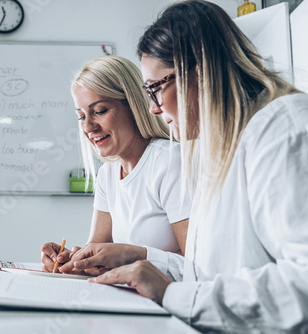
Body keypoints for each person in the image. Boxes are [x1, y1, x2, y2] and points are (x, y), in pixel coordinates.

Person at [64, 1, 308, 332]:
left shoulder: (283, 129)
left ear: (199, 72)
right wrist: (136, 260)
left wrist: (173, 294)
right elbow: (205, 275)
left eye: (154, 89)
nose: (151, 108)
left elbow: (301, 284)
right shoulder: (214, 148)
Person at [41, 55, 191, 273]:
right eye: (81, 116)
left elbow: (201, 269)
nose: (89, 127)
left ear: (133, 105)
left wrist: (135, 255)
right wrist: (69, 262)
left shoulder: (169, 162)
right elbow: (96, 253)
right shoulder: (107, 175)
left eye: (100, 111)